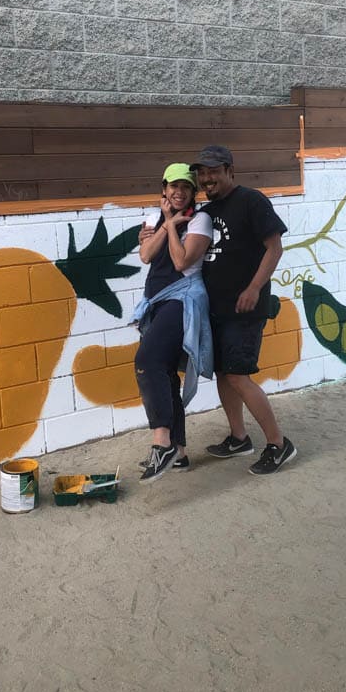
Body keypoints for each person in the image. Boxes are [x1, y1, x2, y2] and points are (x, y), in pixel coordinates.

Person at [189, 145, 297, 475]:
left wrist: (253, 288)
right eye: (202, 173)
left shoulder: (252, 201)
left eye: (214, 171)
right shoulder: (208, 210)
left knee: (238, 374)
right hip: (217, 309)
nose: (207, 178)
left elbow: (274, 247)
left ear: (230, 171)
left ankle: (279, 444)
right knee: (224, 373)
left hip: (245, 308)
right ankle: (239, 438)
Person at [131, 163, 213, 483]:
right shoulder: (155, 219)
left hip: (184, 298)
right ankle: (178, 453)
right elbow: (146, 255)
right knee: (164, 373)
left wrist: (171, 223)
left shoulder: (200, 220)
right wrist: (167, 223)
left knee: (147, 361)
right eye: (173, 186)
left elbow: (181, 262)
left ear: (194, 192)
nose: (179, 192)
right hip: (157, 301)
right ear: (163, 189)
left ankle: (161, 442)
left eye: (186, 187)